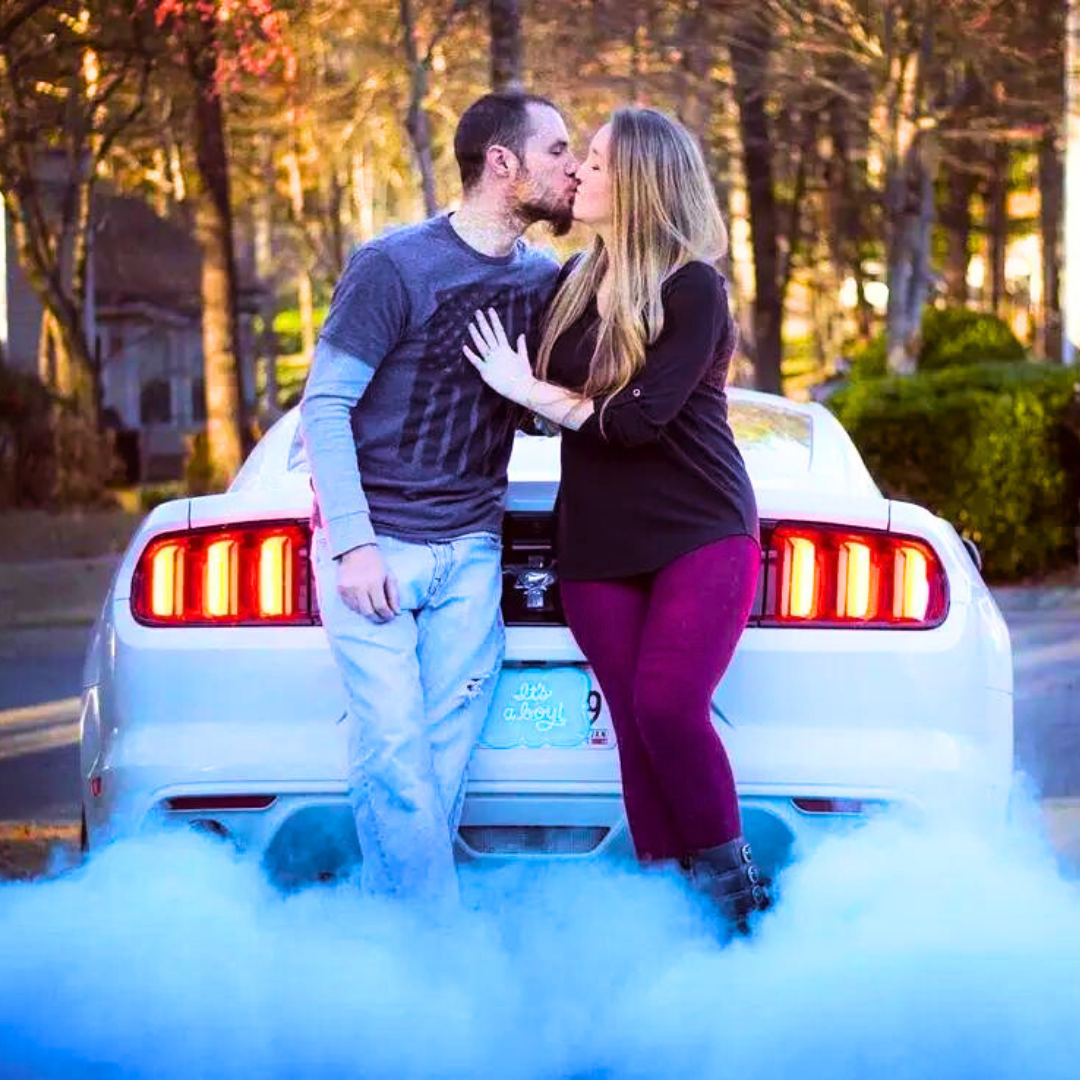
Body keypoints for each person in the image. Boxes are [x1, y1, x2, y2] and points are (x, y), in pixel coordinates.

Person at [462, 106, 770, 930]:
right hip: (595, 541)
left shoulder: (691, 286)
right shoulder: (571, 284)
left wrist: (534, 393)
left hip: (700, 528)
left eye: (594, 162)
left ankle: (738, 907)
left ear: (637, 183)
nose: (577, 174)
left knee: (668, 705)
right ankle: (668, 920)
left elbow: (636, 420)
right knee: (634, 727)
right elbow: (532, 406)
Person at [300, 91, 578, 908]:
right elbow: (325, 404)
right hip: (377, 548)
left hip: (472, 552)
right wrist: (352, 544)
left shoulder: (541, 279)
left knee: (434, 767)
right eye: (557, 149)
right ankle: (439, 950)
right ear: (503, 162)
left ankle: (393, 952)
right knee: (392, 754)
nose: (571, 166)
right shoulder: (394, 266)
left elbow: (538, 409)